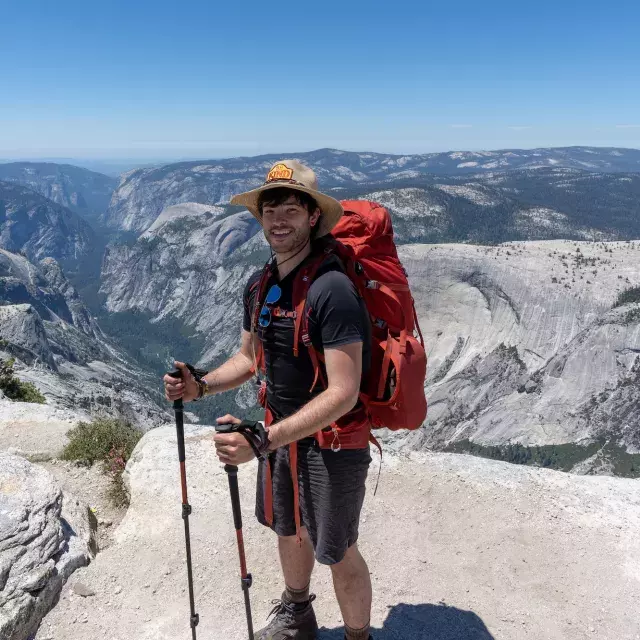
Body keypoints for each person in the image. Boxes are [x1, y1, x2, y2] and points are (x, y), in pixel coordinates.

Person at [163, 159, 374, 640]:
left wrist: (263, 439)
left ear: (313, 216)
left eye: (290, 210)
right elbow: (248, 357)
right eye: (270, 210)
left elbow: (343, 392)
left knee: (338, 550)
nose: (278, 221)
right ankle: (298, 614)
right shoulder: (261, 285)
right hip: (277, 433)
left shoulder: (332, 290)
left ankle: (358, 636)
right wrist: (202, 385)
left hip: (334, 443)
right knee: (287, 526)